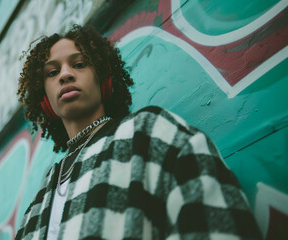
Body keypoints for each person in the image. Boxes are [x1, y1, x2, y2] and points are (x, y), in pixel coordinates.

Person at [15, 25, 261, 240]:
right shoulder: (40, 197)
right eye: (52, 72)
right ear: (44, 101)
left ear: (104, 81)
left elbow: (216, 222)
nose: (66, 74)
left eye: (79, 64)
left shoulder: (148, 131)